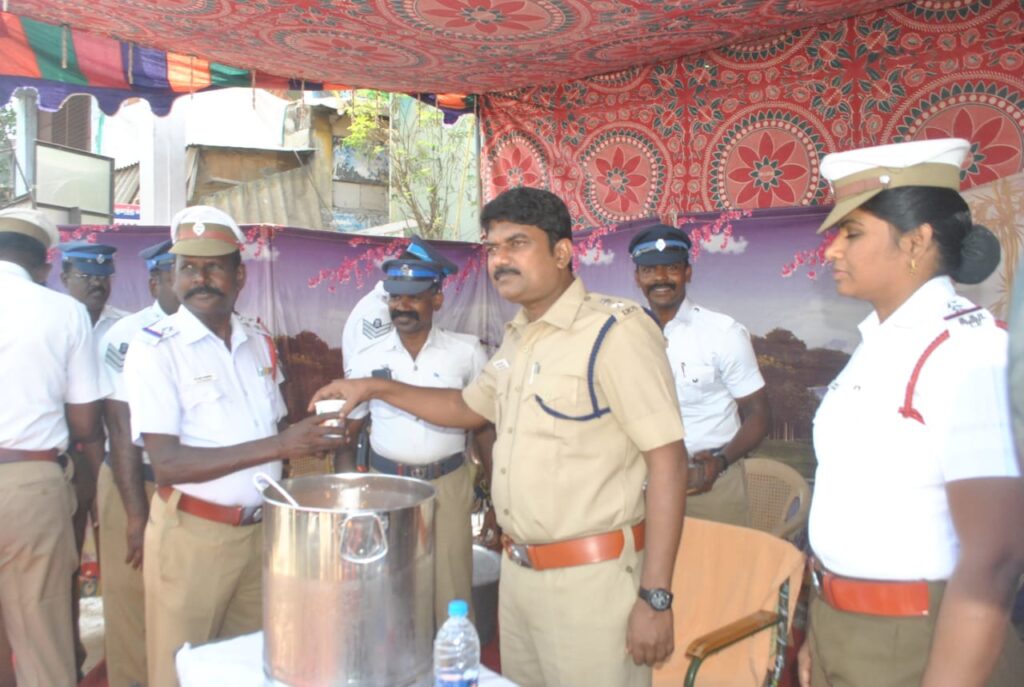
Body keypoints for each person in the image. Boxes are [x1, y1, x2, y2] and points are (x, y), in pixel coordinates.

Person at [312, 187, 689, 687]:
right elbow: (465, 409)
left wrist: (655, 598)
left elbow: (668, 463)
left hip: (591, 582)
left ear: (561, 251)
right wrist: (371, 387)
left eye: (517, 243)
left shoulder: (614, 332)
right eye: (492, 247)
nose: (500, 259)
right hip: (519, 578)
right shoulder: (518, 337)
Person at [796, 138, 1024, 687]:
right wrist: (820, 635)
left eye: (852, 233)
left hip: (921, 637)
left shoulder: (970, 352)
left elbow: (996, 556)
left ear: (916, 241)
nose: (831, 251)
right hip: (842, 624)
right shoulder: (877, 346)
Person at [123, 206, 343, 687]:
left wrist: (314, 432)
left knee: (250, 668)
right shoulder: (155, 348)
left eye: (213, 267)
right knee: (180, 671)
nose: (200, 279)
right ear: (173, 276)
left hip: (259, 532)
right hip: (193, 537)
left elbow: (272, 425)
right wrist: (281, 445)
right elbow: (167, 464)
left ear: (239, 275)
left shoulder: (257, 338)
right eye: (188, 267)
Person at [340, 244, 491, 627]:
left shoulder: (466, 352)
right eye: (395, 297)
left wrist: (494, 496)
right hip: (388, 488)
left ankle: (452, 660)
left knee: (453, 594)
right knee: (393, 595)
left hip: (449, 485)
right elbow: (348, 434)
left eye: (413, 297)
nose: (402, 306)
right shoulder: (368, 357)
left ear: (437, 299)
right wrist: (353, 504)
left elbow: (484, 427)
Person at [0, 208, 108, 686]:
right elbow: (84, 422)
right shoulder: (63, 311)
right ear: (45, 264)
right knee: (42, 637)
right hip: (29, 485)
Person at [629, 224, 770, 526]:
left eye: (671, 268)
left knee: (720, 558)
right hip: (642, 485)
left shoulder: (723, 333)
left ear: (688, 273)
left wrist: (720, 462)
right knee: (646, 559)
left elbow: (758, 414)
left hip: (710, 485)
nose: (661, 278)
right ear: (637, 277)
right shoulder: (625, 335)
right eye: (650, 270)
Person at [96, 239, 179, 687]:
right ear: (154, 283)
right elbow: (120, 428)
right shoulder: (127, 336)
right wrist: (135, 512)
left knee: (181, 603)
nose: (188, 283)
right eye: (175, 274)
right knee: (130, 605)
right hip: (135, 480)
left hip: (189, 485)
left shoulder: (221, 331)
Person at [59, 239, 130, 673]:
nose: (96, 285)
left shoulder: (125, 329)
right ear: (65, 277)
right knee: (62, 566)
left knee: (119, 563)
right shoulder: (52, 323)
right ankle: (70, 653)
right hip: (64, 460)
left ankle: (119, 657)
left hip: (113, 461)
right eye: (85, 276)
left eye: (103, 278)